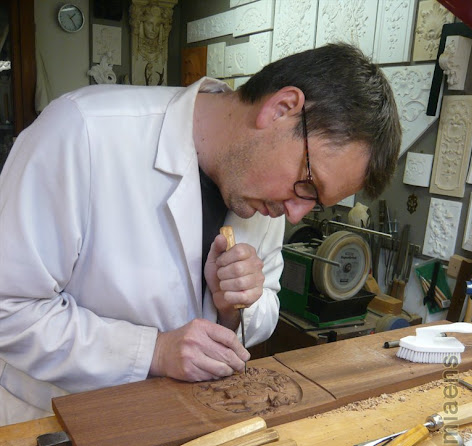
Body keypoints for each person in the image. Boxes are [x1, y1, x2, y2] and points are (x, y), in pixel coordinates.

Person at [0, 43, 401, 425]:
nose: (296, 215)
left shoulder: (269, 192)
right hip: (52, 426)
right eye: (308, 186)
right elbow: (9, 308)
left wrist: (234, 307)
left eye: (315, 201)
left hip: (176, 425)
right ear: (281, 109)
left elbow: (265, 309)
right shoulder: (83, 132)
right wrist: (153, 351)